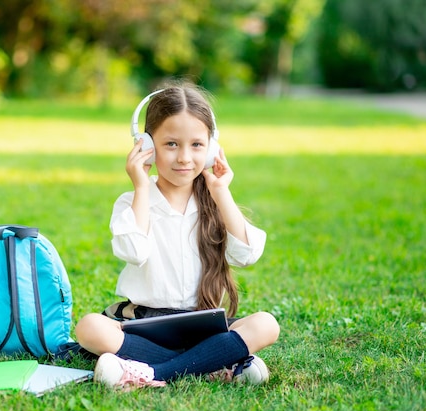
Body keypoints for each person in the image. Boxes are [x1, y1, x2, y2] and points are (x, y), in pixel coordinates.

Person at [75, 82, 279, 391]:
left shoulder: (214, 201)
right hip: (143, 324)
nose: (184, 157)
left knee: (266, 324)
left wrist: (221, 192)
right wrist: (142, 187)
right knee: (90, 327)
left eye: (197, 145)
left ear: (211, 148)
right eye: (171, 144)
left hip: (203, 324)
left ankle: (150, 372)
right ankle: (215, 363)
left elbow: (247, 254)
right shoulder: (132, 201)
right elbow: (134, 251)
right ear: (145, 145)